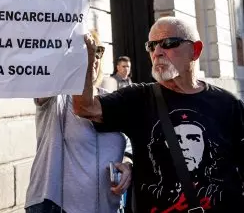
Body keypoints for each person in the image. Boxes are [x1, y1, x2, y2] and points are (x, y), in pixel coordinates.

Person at [73, 16, 244, 212]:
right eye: (152, 46)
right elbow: (84, 107)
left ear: (195, 50)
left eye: (169, 43)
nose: (157, 52)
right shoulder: (138, 99)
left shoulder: (228, 105)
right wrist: (84, 61)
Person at [25, 30, 131, 213]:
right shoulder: (57, 98)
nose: (93, 58)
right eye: (86, 52)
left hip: (109, 208)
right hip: (57, 207)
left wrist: (129, 165)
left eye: (97, 52)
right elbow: (44, 84)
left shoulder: (112, 101)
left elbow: (130, 144)